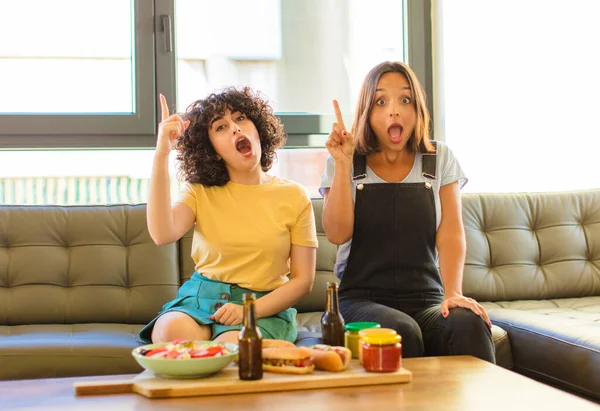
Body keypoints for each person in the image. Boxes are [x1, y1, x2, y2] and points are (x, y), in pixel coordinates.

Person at [319, 61, 495, 362]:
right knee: (401, 331)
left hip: (427, 298)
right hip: (360, 300)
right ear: (367, 112)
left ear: (418, 109)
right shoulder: (347, 162)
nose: (394, 111)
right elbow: (337, 233)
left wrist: (453, 293)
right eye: (380, 101)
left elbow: (451, 232)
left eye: (405, 99)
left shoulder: (438, 158)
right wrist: (343, 163)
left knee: (469, 323)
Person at [139, 87, 318, 345]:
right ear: (212, 150)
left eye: (241, 118)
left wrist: (248, 311)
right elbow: (162, 233)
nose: (235, 128)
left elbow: (303, 280)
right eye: (220, 127)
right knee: (170, 334)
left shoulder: (294, 195)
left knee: (234, 348)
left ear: (258, 128)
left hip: (262, 306)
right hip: (201, 299)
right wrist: (162, 153)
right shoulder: (199, 191)